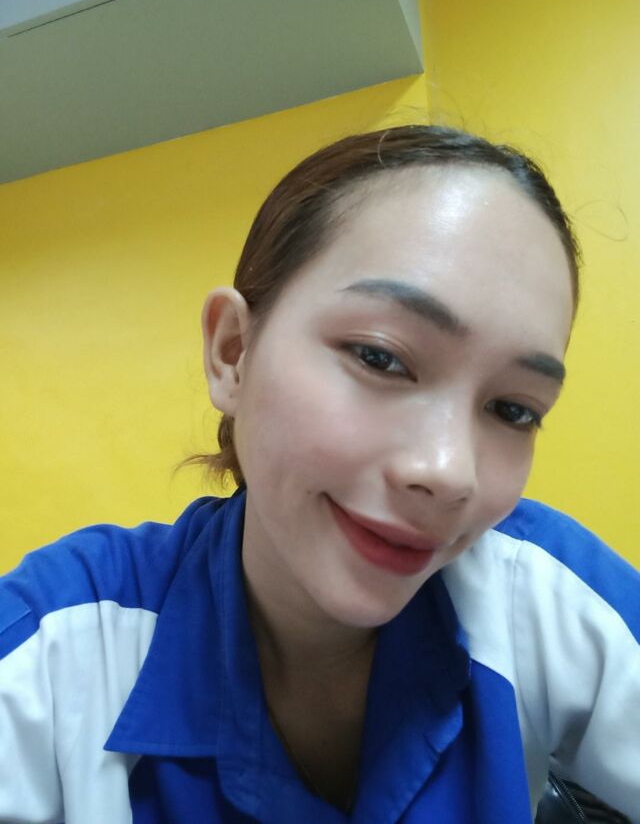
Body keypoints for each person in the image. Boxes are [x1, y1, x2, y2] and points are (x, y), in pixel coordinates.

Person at [1, 125, 638, 824]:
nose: (449, 471)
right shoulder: (56, 647)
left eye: (513, 409)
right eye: (380, 357)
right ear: (233, 352)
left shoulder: (537, 594)